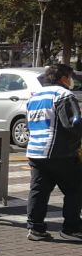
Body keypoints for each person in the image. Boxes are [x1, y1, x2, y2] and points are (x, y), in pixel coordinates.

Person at [24, 64, 82, 242]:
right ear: (64, 78)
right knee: (75, 188)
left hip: (35, 150)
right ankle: (71, 228)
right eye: (70, 77)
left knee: (39, 191)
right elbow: (73, 123)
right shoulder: (63, 95)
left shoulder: (34, 98)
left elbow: (28, 125)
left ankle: (36, 228)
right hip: (59, 151)